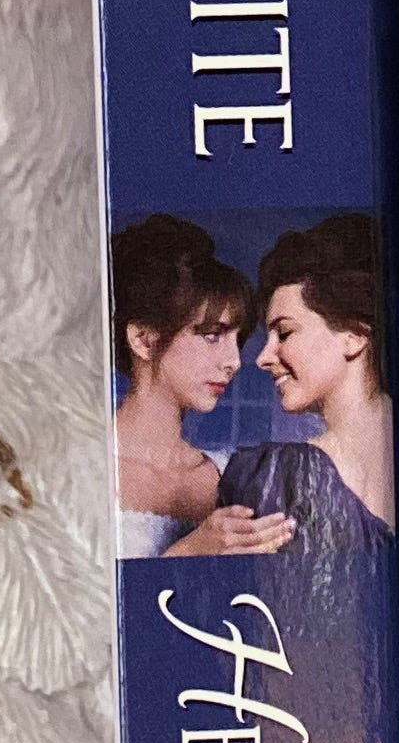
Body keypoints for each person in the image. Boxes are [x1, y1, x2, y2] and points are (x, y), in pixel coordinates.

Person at [109, 214, 290, 562]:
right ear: (144, 340)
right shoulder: (78, 470)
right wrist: (187, 552)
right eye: (211, 335)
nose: (234, 361)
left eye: (236, 339)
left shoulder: (229, 474)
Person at [236, 214, 396, 537]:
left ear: (353, 335)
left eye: (284, 332)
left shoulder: (279, 477)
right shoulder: (273, 478)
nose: (263, 358)